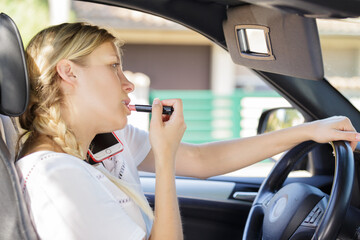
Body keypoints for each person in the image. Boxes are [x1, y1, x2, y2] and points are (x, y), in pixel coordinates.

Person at [15, 22, 359, 240]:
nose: (128, 83)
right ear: (69, 73)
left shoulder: (103, 143)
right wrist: (164, 159)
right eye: (113, 67)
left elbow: (201, 158)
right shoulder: (56, 176)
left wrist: (306, 131)